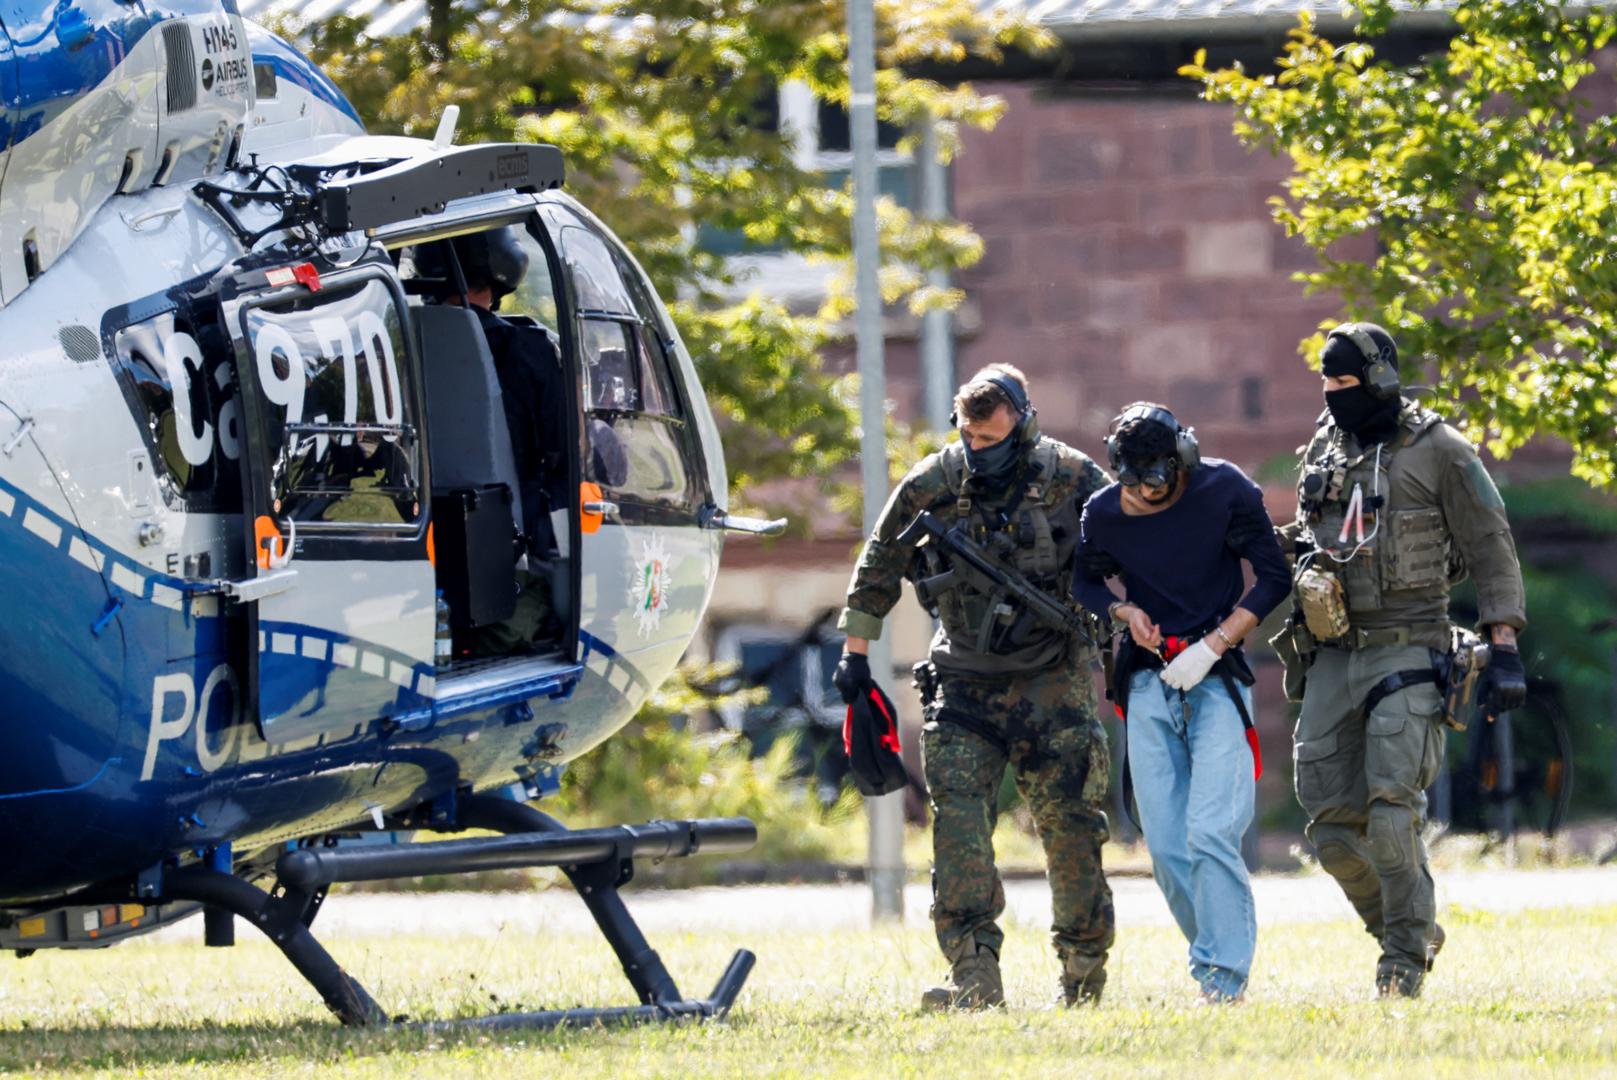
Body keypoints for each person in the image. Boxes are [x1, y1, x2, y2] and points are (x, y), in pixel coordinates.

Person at [833, 365, 1115, 1011]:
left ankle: (1082, 973)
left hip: (1054, 680)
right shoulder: (935, 481)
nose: (980, 451)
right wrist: (853, 655)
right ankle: (974, 978)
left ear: (1024, 422)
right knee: (957, 828)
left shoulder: (1071, 476)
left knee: (1071, 828)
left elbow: (1130, 540)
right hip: (962, 683)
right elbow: (877, 563)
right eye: (970, 438)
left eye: (992, 437)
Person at [1274, 322, 1527, 999]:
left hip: (1411, 643)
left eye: (1346, 383)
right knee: (1329, 830)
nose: (1334, 396)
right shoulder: (1325, 447)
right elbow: (1308, 535)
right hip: (1332, 650)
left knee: (1392, 815)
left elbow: (1490, 545)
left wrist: (1502, 646)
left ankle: (1400, 963)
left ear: (1380, 378)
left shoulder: (1439, 450)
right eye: (1325, 384)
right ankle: (1406, 925)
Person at [1073, 403, 1290, 1004]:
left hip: (1216, 676)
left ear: (1181, 462)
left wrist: (1218, 642)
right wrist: (1122, 611)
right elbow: (1084, 582)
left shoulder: (1225, 490)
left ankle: (1222, 979)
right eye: (1132, 484)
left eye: (1156, 483)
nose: (1144, 495)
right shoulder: (1103, 513)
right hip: (1147, 680)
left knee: (1211, 831)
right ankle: (1215, 953)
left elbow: (1274, 577)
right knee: (1167, 847)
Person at [417, 228, 573, 652]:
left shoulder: (398, 345)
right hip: (509, 575)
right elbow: (565, 454)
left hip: (414, 561)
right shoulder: (531, 350)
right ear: (500, 273)